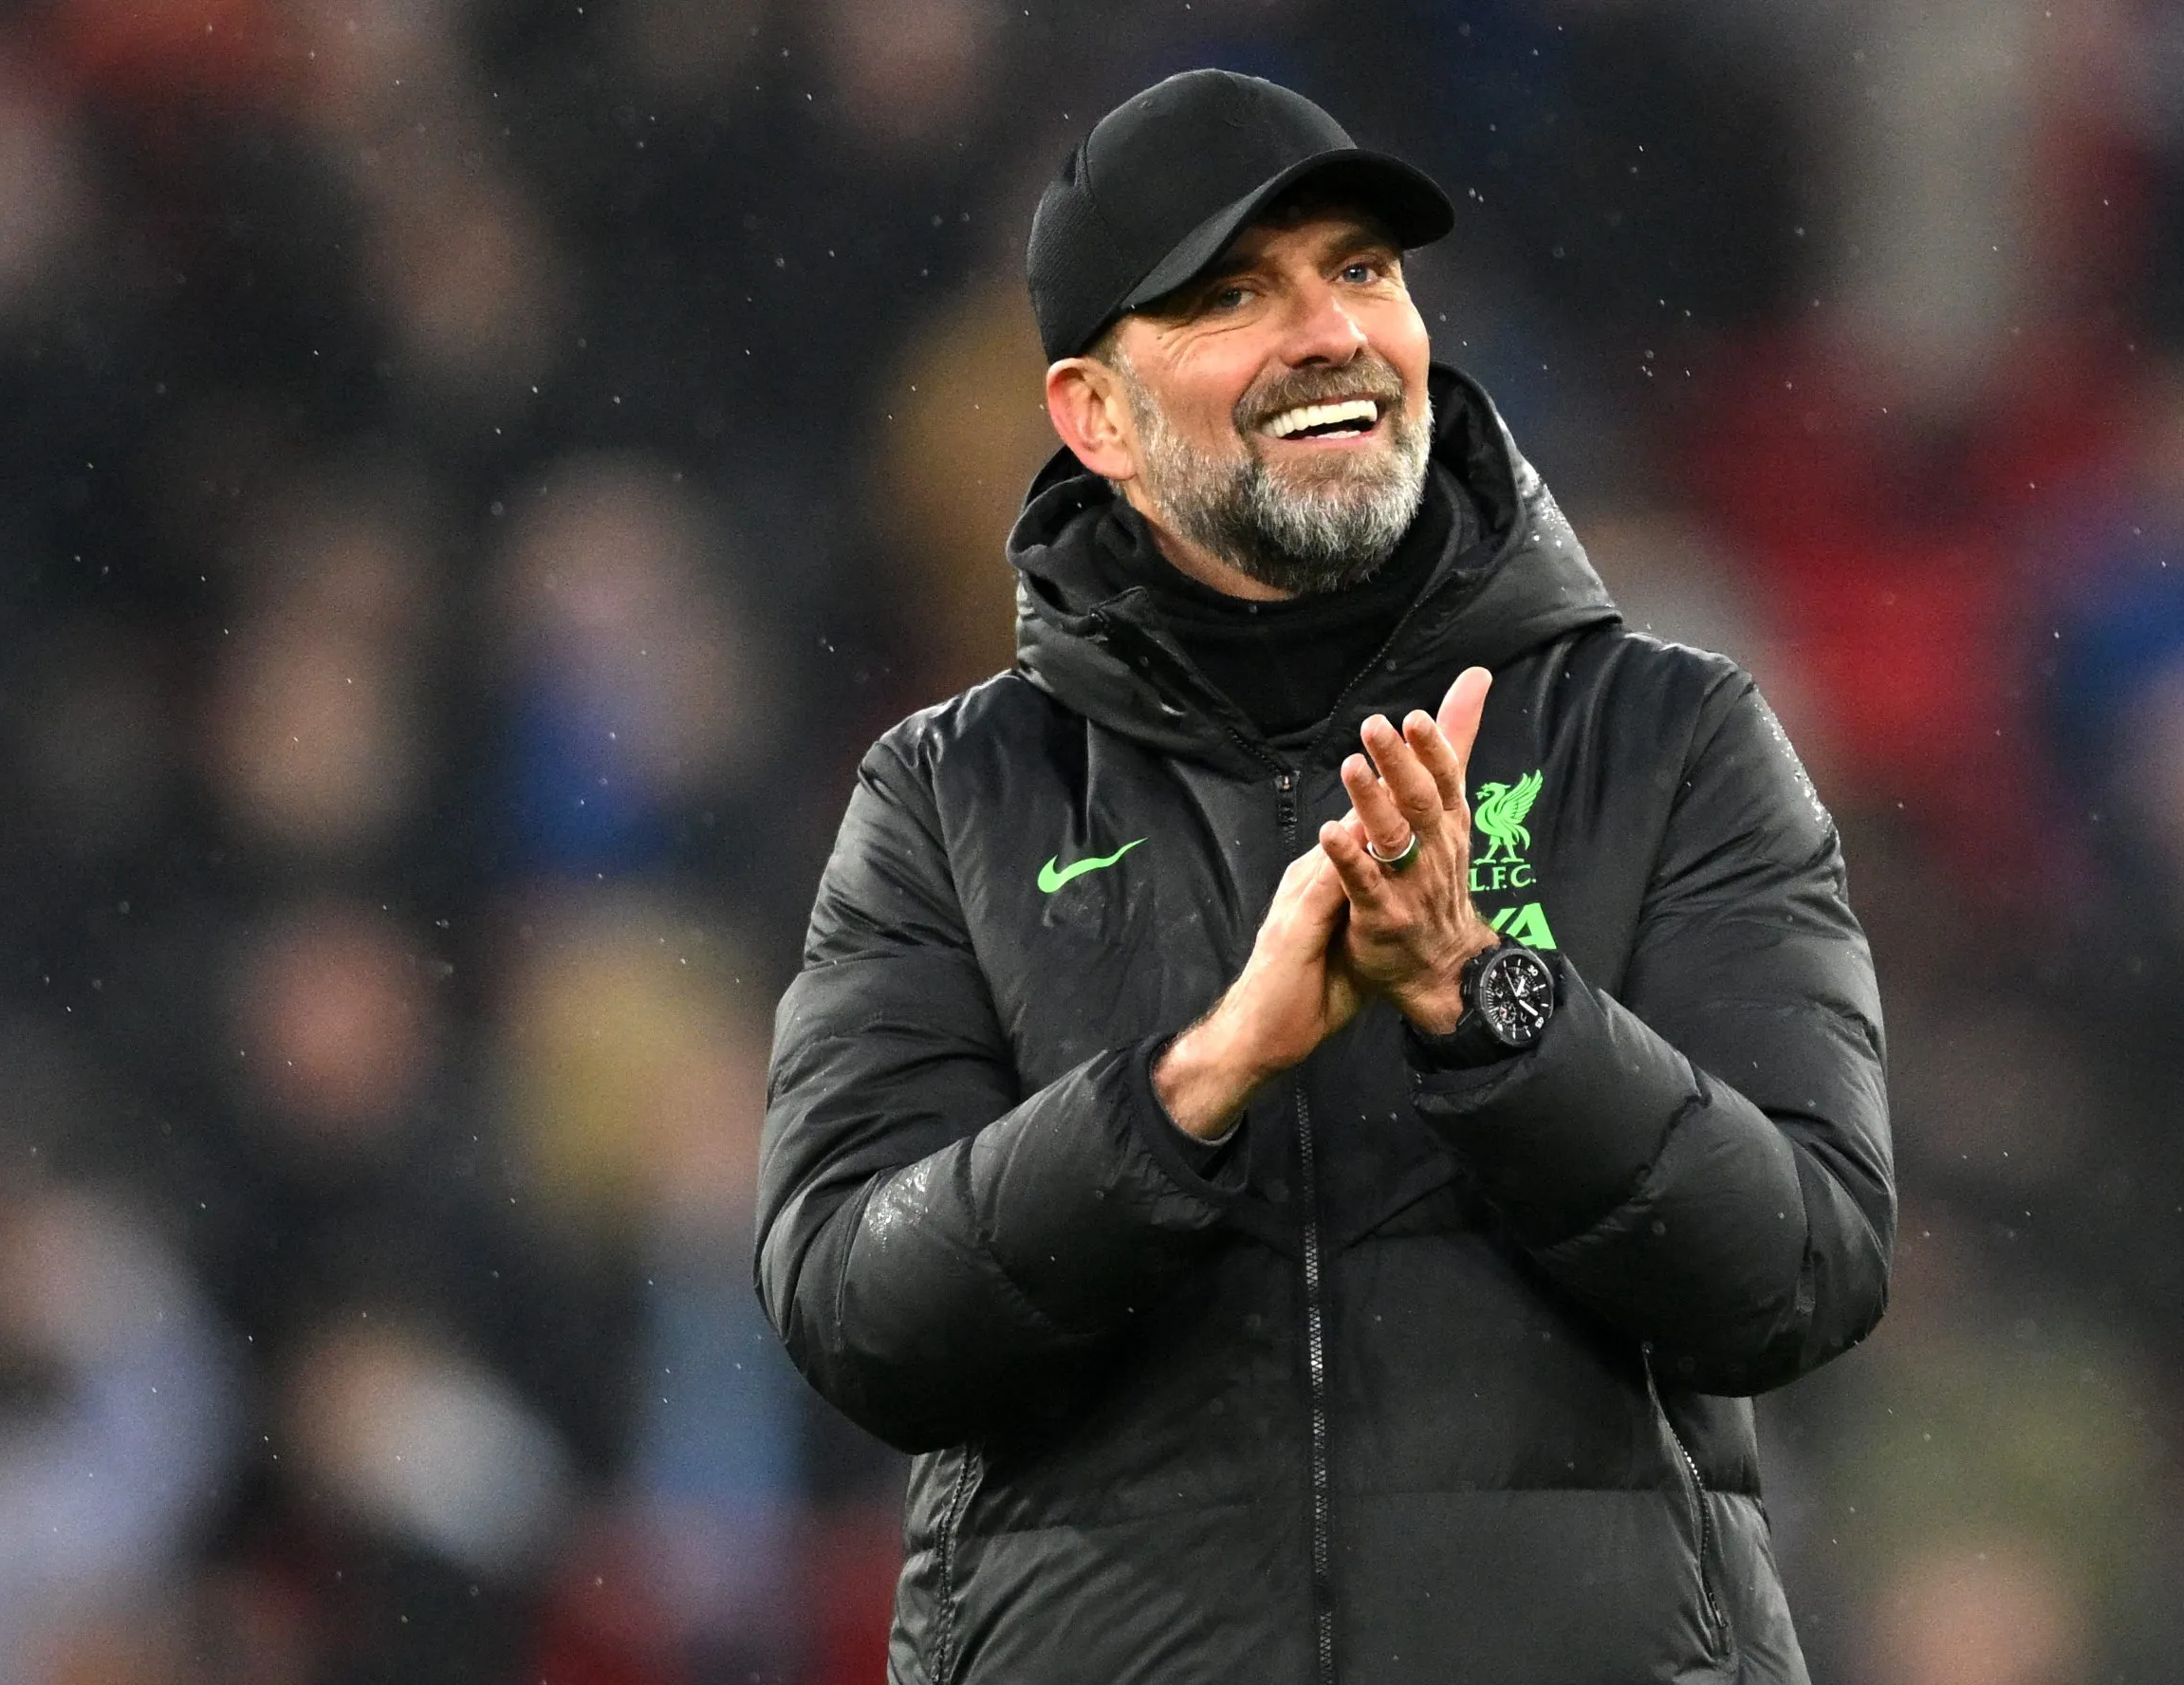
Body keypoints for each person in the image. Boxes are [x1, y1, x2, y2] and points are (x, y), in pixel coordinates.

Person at [757, 68, 1896, 1685]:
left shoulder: (1669, 739)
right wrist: (1198, 1083)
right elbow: (855, 1311)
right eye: (1232, 294)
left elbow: (1802, 1265)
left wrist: (1489, 1004)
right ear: (1092, 414)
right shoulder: (950, 800)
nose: (1329, 332)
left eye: (1360, 270)